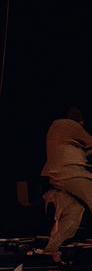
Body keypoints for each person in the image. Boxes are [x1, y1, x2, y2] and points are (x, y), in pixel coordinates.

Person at [41, 107, 92, 255]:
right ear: (80, 122)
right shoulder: (70, 126)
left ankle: (51, 249)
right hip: (70, 175)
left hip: (57, 177)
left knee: (74, 211)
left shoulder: (56, 129)